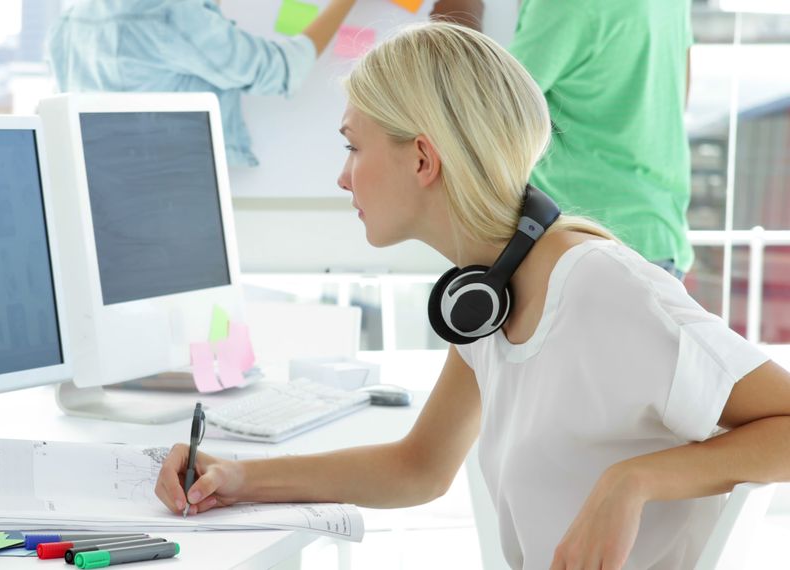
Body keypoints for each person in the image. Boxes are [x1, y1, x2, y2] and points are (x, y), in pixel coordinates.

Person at [153, 22, 790, 569]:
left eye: (354, 146)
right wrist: (238, 479)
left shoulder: (601, 287)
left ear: (423, 159)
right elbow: (418, 468)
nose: (342, 175)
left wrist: (634, 481)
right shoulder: (489, 295)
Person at [429, 0, 694, 278]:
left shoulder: (564, 6)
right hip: (655, 233)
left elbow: (486, 118)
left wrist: (456, 17)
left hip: (589, 245)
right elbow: (678, 94)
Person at [47, 0, 358, 167]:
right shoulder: (173, 13)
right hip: (178, 189)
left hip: (100, 186)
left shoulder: (68, 22)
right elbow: (281, 68)